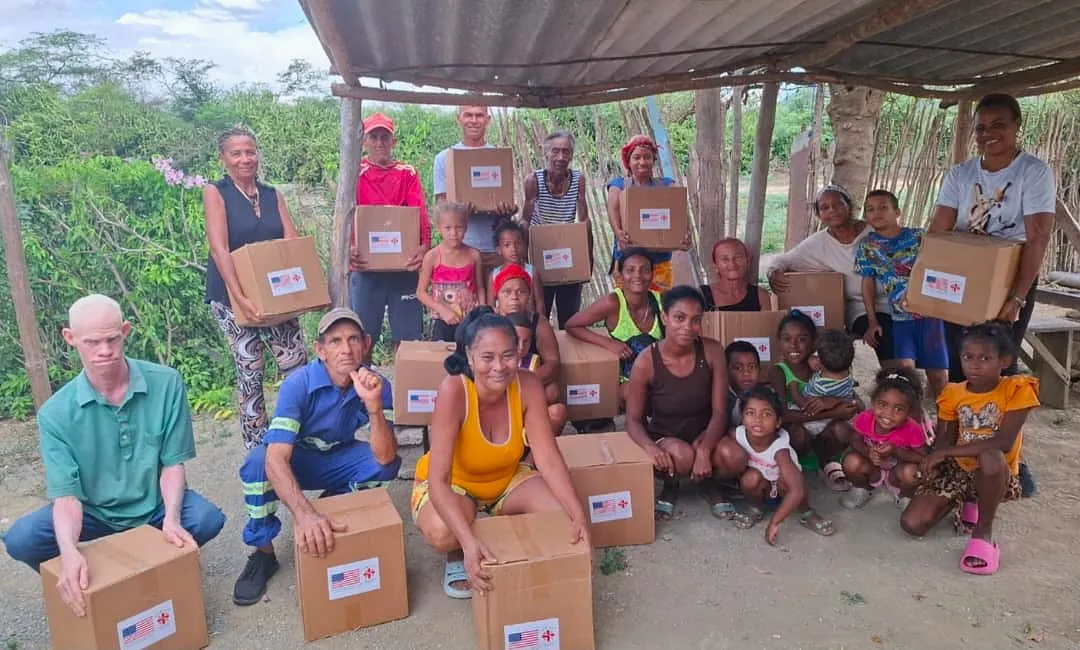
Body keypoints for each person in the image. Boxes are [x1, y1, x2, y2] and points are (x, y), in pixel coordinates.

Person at [2, 295, 226, 616]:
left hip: (153, 507)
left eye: (112, 339)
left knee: (205, 519)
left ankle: (156, 569)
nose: (104, 350)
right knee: (21, 540)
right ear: (70, 338)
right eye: (92, 342)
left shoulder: (166, 383)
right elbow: (66, 497)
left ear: (125, 331)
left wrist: (172, 519)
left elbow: (172, 465)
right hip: (93, 513)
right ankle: (90, 582)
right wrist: (69, 551)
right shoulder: (55, 413)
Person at [411, 307, 588, 598]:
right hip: (456, 485)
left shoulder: (528, 384)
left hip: (506, 479)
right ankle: (460, 551)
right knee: (443, 532)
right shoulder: (454, 390)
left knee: (561, 517)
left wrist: (577, 512)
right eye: (487, 357)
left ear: (520, 352)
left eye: (507, 355)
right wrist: (467, 543)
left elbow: (548, 458)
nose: (499, 366)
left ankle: (496, 534)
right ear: (470, 357)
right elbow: (438, 480)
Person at [232, 308, 401, 606]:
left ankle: (333, 510)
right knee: (258, 463)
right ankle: (263, 553)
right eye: (335, 341)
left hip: (337, 455)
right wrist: (304, 514)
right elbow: (276, 458)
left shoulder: (376, 384)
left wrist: (373, 406)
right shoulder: (298, 384)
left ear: (366, 344)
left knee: (383, 465)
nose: (346, 349)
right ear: (320, 350)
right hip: (299, 459)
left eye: (353, 339)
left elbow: (386, 456)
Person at [929, 94, 1053, 497]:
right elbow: (939, 232)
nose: (989, 134)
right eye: (981, 127)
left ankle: (1007, 461)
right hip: (963, 280)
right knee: (962, 366)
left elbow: (1037, 238)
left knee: (1000, 372)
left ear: (1017, 126)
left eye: (999, 125)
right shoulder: (961, 174)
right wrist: (926, 287)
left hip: (1010, 280)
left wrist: (1016, 298)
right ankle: (960, 454)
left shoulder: (1033, 172)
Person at [900, 321, 1039, 575]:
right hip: (959, 470)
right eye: (968, 357)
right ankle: (966, 500)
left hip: (997, 472)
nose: (975, 365)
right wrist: (933, 460)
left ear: (1004, 360)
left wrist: (946, 453)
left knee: (990, 455)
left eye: (985, 358)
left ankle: (983, 532)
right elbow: (945, 438)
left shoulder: (1016, 389)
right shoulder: (953, 392)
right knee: (913, 524)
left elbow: (1004, 442)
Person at [204, 126, 308, 448]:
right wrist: (240, 298)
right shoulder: (216, 192)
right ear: (223, 158)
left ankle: (299, 434)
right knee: (251, 367)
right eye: (236, 153)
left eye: (250, 151)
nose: (245, 159)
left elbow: (291, 241)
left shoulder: (272, 194)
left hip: (275, 294)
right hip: (230, 296)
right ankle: (257, 446)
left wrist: (302, 291)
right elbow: (219, 249)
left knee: (295, 364)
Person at [623, 286, 733, 521]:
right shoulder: (646, 361)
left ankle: (709, 483)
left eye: (696, 320)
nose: (688, 327)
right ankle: (671, 485)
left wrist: (705, 448)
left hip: (705, 433)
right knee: (682, 457)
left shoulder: (712, 351)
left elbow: (720, 411)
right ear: (664, 318)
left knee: (734, 457)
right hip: (667, 437)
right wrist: (650, 447)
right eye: (679, 318)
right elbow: (632, 420)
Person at [766, 184, 893, 366]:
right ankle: (893, 377)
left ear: (850, 206)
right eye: (825, 208)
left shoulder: (874, 231)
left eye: (838, 204)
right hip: (862, 309)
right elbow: (783, 260)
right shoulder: (818, 244)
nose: (832, 210)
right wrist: (773, 271)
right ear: (819, 215)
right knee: (886, 337)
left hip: (897, 301)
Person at [350, 112, 430, 356]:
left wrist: (424, 246)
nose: (379, 143)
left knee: (407, 340)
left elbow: (419, 214)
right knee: (361, 338)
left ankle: (405, 379)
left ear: (393, 141)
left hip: (403, 267)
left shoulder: (407, 173)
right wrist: (348, 249)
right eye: (373, 137)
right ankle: (360, 381)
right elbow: (345, 215)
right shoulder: (355, 172)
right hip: (366, 268)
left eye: (384, 137)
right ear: (364, 141)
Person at [857, 189, 949, 398]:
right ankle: (914, 416)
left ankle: (946, 417)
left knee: (938, 375)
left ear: (897, 212)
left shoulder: (918, 236)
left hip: (931, 317)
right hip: (900, 319)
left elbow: (941, 266)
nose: (876, 213)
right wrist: (872, 321)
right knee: (907, 373)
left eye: (883, 207)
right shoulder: (868, 246)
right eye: (870, 209)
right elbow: (867, 283)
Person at [713, 384, 835, 542]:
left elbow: (797, 490)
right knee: (750, 478)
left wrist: (774, 523)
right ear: (742, 418)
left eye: (766, 414)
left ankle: (806, 512)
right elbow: (721, 439)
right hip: (763, 490)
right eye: (750, 413)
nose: (758, 419)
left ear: (778, 422)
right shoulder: (738, 434)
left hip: (786, 494)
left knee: (791, 481)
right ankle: (756, 507)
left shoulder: (780, 450)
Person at [769, 311, 859, 492]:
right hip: (800, 434)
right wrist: (834, 412)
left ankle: (825, 462)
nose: (793, 345)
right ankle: (803, 463)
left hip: (824, 433)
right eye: (786, 339)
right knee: (797, 434)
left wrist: (833, 400)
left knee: (843, 430)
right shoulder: (778, 371)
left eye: (802, 339)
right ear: (778, 342)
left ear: (813, 342)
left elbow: (852, 402)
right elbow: (783, 416)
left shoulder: (825, 366)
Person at [566, 248, 663, 407]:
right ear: (620, 276)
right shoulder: (613, 303)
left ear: (652, 274)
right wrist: (609, 343)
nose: (638, 275)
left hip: (660, 376)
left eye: (644, 270)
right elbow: (572, 325)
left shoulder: (662, 302)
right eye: (630, 270)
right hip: (626, 380)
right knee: (636, 393)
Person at [433, 105, 519, 272]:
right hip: (460, 251)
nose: (473, 121)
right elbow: (440, 206)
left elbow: (508, 199)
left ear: (488, 120)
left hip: (496, 249)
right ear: (458, 119)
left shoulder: (499, 157)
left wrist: (507, 210)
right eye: (468, 115)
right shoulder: (444, 158)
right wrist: (458, 213)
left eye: (479, 115)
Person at [522, 129, 591, 327]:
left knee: (569, 316)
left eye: (566, 152)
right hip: (541, 253)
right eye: (555, 151)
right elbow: (525, 221)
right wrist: (524, 262)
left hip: (567, 253)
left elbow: (584, 220)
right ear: (546, 153)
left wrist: (588, 258)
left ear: (571, 155)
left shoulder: (578, 180)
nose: (560, 157)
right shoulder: (534, 180)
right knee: (539, 314)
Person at [605, 135, 690, 292]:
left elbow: (679, 208)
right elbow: (613, 208)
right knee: (629, 303)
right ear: (628, 161)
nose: (642, 162)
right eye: (636, 157)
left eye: (647, 157)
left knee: (659, 303)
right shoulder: (618, 185)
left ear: (653, 160)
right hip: (628, 263)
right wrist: (618, 232)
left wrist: (684, 234)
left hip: (660, 263)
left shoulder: (667, 185)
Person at [839, 367, 930, 510]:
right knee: (850, 461)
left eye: (898, 409)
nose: (888, 414)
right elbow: (855, 439)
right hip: (873, 469)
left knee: (912, 473)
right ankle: (862, 488)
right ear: (873, 402)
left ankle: (905, 495)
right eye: (882, 405)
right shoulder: (865, 418)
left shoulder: (913, 429)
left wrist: (896, 451)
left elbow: (923, 457)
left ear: (909, 411)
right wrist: (867, 452)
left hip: (897, 474)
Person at [493, 265, 567, 435]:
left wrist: (522, 383)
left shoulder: (538, 322)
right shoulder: (487, 321)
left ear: (529, 295)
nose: (514, 297)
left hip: (528, 383)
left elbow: (553, 363)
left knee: (552, 393)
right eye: (507, 292)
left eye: (521, 292)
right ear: (497, 295)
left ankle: (531, 444)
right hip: (495, 384)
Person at [416, 202, 484, 342]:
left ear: (466, 227)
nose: (453, 233)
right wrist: (442, 309)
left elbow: (480, 287)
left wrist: (482, 314)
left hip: (470, 320)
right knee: (442, 354)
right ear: (439, 228)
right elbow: (421, 292)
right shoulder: (432, 256)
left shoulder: (474, 255)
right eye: (448, 228)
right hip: (442, 321)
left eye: (459, 227)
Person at [487, 221, 544, 315]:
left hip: (527, 321)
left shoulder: (532, 272)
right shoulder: (494, 275)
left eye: (518, 243)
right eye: (507, 245)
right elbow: (491, 305)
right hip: (503, 321)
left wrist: (539, 321)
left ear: (524, 246)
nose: (513, 249)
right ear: (499, 250)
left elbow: (539, 303)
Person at [702, 238, 772, 311]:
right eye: (725, 259)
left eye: (738, 257)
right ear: (715, 266)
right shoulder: (702, 295)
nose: (732, 264)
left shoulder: (761, 296)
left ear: (747, 262)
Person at [801, 329, 856, 403]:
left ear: (820, 363)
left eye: (816, 355)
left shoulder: (819, 386)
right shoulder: (847, 371)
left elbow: (807, 400)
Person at [725, 340, 762, 429]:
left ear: (759, 370)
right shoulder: (718, 396)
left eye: (752, 367)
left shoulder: (765, 397)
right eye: (738, 368)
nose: (746, 373)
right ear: (725, 370)